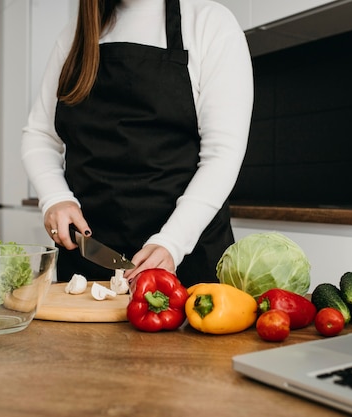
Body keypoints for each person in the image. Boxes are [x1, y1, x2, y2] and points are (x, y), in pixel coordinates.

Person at [21, 0, 253, 286]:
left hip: (186, 264)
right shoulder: (75, 36)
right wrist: (55, 197)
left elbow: (222, 154)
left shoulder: (209, 22)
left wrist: (172, 242)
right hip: (89, 262)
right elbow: (40, 135)